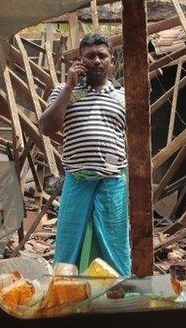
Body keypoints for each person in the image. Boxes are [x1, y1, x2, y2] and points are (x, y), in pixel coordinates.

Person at [39, 33, 131, 276]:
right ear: (80, 61)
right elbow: (47, 127)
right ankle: (66, 293)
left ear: (112, 61)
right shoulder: (64, 91)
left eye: (102, 56)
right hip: (77, 179)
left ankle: (118, 291)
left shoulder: (122, 97)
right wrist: (69, 86)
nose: (97, 61)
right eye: (90, 56)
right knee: (70, 242)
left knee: (115, 244)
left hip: (112, 180)